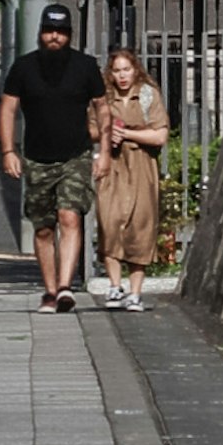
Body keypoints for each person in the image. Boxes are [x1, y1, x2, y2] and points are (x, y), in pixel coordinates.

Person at [0, 1, 98, 309]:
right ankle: (51, 290)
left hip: (75, 155)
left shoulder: (86, 67)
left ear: (70, 35)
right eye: (49, 31)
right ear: (40, 33)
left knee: (70, 216)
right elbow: (7, 108)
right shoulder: (24, 68)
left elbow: (103, 109)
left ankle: (66, 287)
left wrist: (104, 151)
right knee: (43, 228)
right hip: (37, 157)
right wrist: (8, 150)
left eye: (61, 32)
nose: (54, 37)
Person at [91, 46, 168, 307]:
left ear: (135, 70)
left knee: (141, 226)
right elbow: (90, 128)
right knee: (109, 221)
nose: (122, 76)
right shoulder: (103, 98)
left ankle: (135, 292)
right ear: (110, 74)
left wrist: (128, 134)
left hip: (142, 164)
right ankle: (115, 286)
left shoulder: (148, 95)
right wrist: (106, 132)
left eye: (126, 69)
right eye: (117, 71)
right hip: (112, 163)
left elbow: (160, 135)